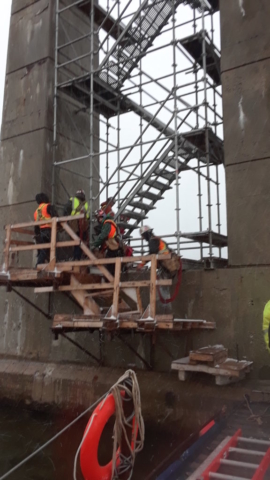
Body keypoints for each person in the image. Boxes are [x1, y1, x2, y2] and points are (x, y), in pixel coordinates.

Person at [93, 209, 123, 274]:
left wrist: (94, 245)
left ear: (103, 217)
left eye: (100, 218)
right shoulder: (109, 223)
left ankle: (110, 281)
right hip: (114, 247)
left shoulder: (107, 224)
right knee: (111, 267)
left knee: (109, 268)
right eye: (98, 219)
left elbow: (103, 235)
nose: (99, 220)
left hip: (113, 247)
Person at [64, 189, 90, 260]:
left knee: (76, 240)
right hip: (83, 224)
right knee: (80, 241)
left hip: (75, 223)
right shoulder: (86, 204)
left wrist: (66, 219)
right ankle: (77, 257)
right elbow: (88, 216)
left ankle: (76, 257)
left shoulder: (72, 200)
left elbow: (66, 210)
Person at [34, 193, 57, 266]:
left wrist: (37, 235)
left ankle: (41, 263)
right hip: (49, 230)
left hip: (41, 231)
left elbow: (36, 225)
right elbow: (55, 216)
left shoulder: (36, 211)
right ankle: (40, 264)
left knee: (43, 248)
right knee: (51, 247)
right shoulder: (48, 206)